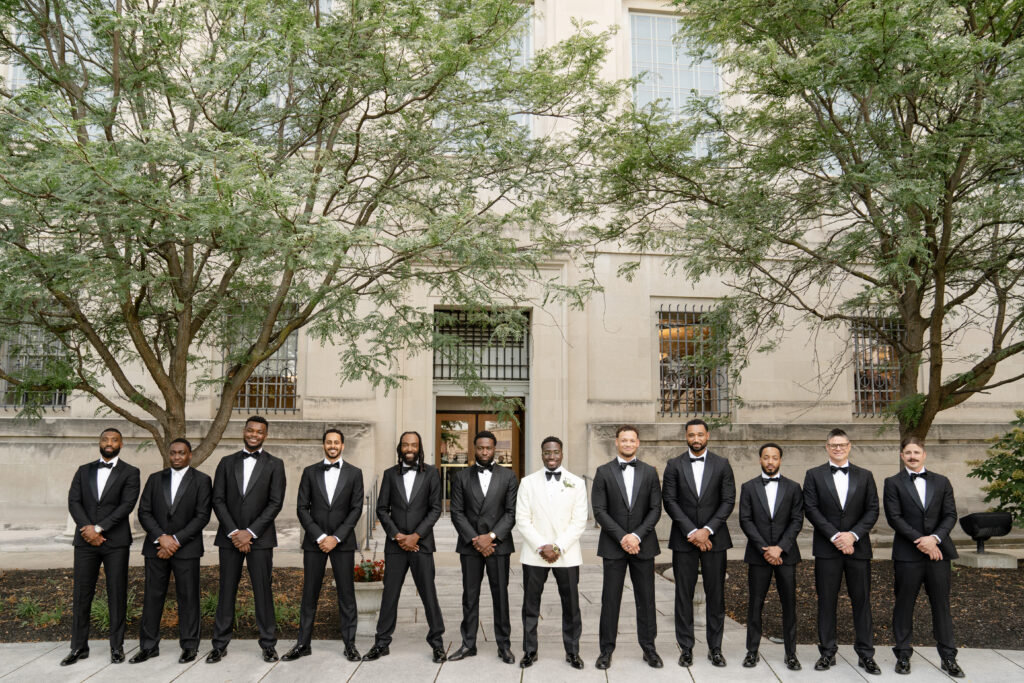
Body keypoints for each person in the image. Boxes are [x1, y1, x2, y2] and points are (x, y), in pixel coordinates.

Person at [883, 437, 964, 678]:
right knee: (904, 605)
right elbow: (894, 518)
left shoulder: (942, 481)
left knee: (941, 605)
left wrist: (935, 540)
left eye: (916, 452)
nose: (912, 456)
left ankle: (948, 657)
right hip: (908, 555)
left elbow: (950, 515)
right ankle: (903, 656)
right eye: (907, 452)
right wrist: (922, 541)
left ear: (924, 454)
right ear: (902, 456)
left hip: (938, 554)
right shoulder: (892, 483)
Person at [207, 415, 286, 664]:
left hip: (260, 540)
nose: (254, 434)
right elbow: (217, 499)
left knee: (263, 591)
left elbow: (275, 503)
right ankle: (219, 645)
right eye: (250, 430)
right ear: (244, 431)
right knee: (226, 591)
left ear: (265, 435)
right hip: (229, 538)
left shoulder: (276, 464)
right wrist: (234, 532)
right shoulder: (226, 462)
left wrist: (250, 532)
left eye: (259, 431)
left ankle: (268, 644)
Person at [363, 431, 446, 663]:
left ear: (420, 448)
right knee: (390, 595)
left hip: (422, 545)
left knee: (429, 595)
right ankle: (381, 643)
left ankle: (437, 644)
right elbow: (381, 509)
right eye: (406, 444)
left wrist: (416, 536)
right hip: (396, 545)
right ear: (400, 447)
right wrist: (398, 535)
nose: (410, 448)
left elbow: (435, 509)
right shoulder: (390, 474)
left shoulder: (432, 473)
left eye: (414, 445)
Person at [282, 428, 364, 663]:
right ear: (323, 445)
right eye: (328, 442)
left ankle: (350, 645)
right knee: (310, 593)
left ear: (343, 446)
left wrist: (335, 537)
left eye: (336, 442)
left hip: (343, 542)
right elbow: (301, 507)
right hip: (314, 543)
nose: (332, 446)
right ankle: (303, 644)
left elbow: (356, 509)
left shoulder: (354, 473)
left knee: (346, 594)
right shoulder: (309, 472)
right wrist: (320, 537)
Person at [803, 428, 880, 674]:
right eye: (833, 445)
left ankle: (866, 654)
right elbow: (811, 509)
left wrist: (852, 535)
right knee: (826, 601)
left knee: (862, 601)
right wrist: (836, 536)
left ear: (849, 446)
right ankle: (827, 653)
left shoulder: (865, 475)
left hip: (858, 548)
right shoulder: (813, 475)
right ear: (827, 447)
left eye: (842, 445)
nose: (838, 448)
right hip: (828, 548)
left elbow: (872, 510)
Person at [62, 427, 141, 666]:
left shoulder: (131, 472)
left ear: (121, 443)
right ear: (99, 442)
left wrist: (99, 529)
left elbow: (127, 505)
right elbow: (73, 501)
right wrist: (87, 528)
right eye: (105, 439)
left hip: (115, 542)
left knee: (116, 593)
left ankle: (116, 647)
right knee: (81, 594)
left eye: (114, 439)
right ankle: (78, 647)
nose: (109, 443)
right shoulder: (83, 470)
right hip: (85, 542)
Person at [661, 418, 735, 668]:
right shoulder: (674, 465)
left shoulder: (722, 464)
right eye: (691, 435)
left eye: (700, 434)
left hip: (716, 540)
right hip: (684, 540)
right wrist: (693, 531)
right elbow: (670, 501)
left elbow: (728, 500)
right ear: (686, 436)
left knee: (716, 595)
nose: (696, 439)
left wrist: (707, 531)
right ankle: (686, 648)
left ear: (708, 436)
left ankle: (716, 648)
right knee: (683, 595)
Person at [132, 438, 212, 665]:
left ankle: (189, 646)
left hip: (187, 549)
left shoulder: (202, 481)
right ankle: (148, 646)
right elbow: (144, 511)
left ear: (190, 455)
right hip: (156, 548)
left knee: (188, 598)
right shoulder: (155, 479)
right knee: (152, 597)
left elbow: (202, 516)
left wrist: (175, 540)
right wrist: (162, 538)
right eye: (173, 453)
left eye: (182, 453)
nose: (177, 457)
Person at [591, 424, 663, 671]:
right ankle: (606, 650)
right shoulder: (603, 472)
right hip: (613, 546)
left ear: (638, 443)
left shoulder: (650, 472)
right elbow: (599, 510)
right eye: (624, 440)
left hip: (643, 545)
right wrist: (623, 537)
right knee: (610, 600)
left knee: (647, 599)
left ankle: (649, 649)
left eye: (632, 440)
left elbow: (656, 509)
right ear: (616, 442)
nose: (628, 444)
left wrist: (636, 537)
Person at [515, 436, 589, 670]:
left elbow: (579, 521)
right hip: (534, 554)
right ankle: (530, 651)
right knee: (530, 605)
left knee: (571, 606)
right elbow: (522, 520)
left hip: (566, 555)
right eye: (547, 452)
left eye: (556, 452)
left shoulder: (576, 483)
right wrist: (542, 546)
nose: (552, 456)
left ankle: (573, 651)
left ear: (562, 453)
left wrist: (557, 547)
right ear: (542, 454)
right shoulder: (527, 482)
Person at [448, 430, 519, 664]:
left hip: (499, 546)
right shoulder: (460, 477)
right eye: (480, 448)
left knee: (501, 597)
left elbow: (511, 513)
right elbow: (456, 513)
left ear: (495, 449)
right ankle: (468, 644)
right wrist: (476, 540)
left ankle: (504, 645)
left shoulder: (509, 477)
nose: (485, 452)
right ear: (474, 449)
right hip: (470, 547)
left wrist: (491, 537)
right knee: (470, 597)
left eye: (489, 448)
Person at [737, 442, 803, 671]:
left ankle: (791, 654)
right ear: (760, 460)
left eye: (774, 458)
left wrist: (780, 548)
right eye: (766, 457)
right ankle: (751, 651)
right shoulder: (748, 487)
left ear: (780, 460)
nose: (770, 462)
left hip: (786, 555)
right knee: (755, 604)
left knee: (789, 605)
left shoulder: (794, 487)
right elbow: (745, 520)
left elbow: (797, 520)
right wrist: (765, 548)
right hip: (758, 555)